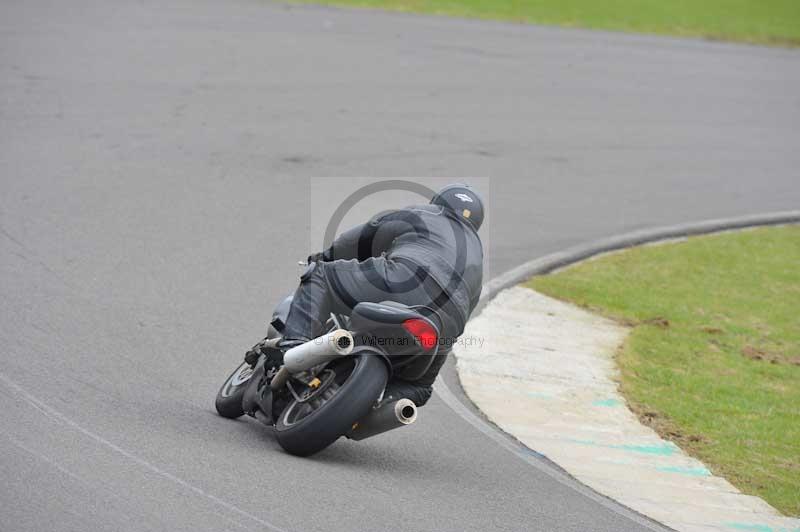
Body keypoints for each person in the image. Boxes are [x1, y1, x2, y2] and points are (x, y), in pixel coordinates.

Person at [245, 184, 484, 407]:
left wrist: (325, 257)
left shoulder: (430, 213)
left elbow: (366, 235)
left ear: (438, 202)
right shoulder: (478, 261)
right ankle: (375, 402)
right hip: (443, 323)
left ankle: (293, 350)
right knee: (419, 387)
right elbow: (459, 322)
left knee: (321, 275)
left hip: (403, 278)